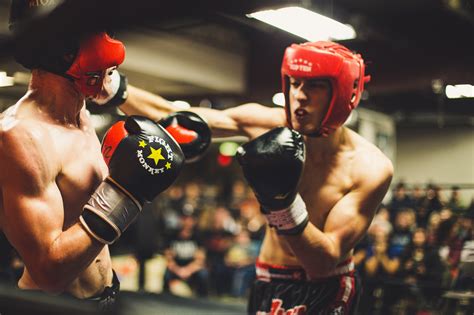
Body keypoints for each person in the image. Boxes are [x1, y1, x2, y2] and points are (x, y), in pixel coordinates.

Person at [122, 41, 393, 314]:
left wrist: (282, 203)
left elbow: (323, 262)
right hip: (267, 277)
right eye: (295, 83)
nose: (299, 95)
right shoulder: (269, 123)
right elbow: (172, 118)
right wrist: (110, 87)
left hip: (324, 287)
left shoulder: (369, 168)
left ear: (344, 93)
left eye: (314, 86)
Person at [0, 0, 214, 310]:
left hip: (105, 295)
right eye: (93, 30)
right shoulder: (20, 136)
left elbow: (149, 105)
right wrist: (126, 192)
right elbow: (49, 273)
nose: (108, 38)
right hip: (57, 306)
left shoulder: (81, 111)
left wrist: (175, 139)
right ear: (60, 46)